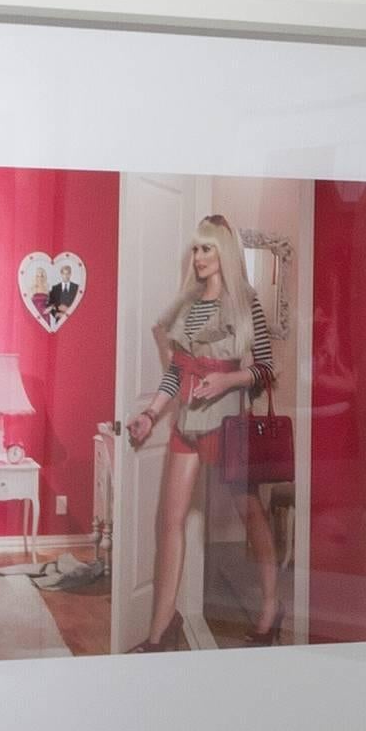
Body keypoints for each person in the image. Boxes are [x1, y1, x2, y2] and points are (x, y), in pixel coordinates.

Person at [122, 213, 283, 646]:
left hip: (229, 425)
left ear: (223, 252)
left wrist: (229, 379)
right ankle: (160, 631)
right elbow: (178, 371)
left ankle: (270, 606)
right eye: (195, 248)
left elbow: (267, 369)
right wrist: (150, 415)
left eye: (207, 248)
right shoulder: (188, 306)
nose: (198, 256)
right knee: (167, 522)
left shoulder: (246, 303)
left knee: (251, 515)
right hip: (188, 423)